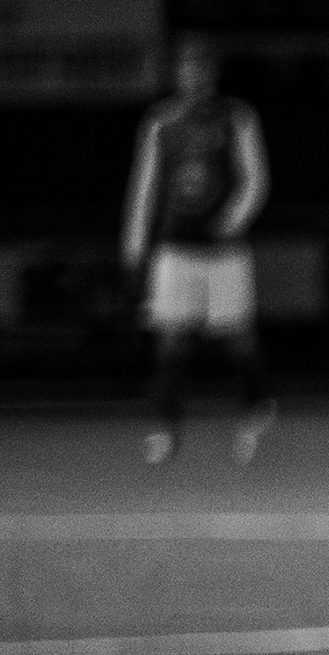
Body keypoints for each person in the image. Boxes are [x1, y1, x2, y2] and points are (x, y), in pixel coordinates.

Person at [120, 35, 273, 464]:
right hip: (175, 248)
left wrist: (232, 220)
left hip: (224, 251)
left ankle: (257, 407)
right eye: (188, 67)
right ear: (178, 74)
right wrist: (134, 244)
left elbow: (256, 179)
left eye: (202, 67)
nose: (195, 75)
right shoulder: (160, 122)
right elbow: (144, 188)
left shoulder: (237, 117)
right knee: (171, 340)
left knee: (236, 337)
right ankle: (165, 428)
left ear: (213, 72)